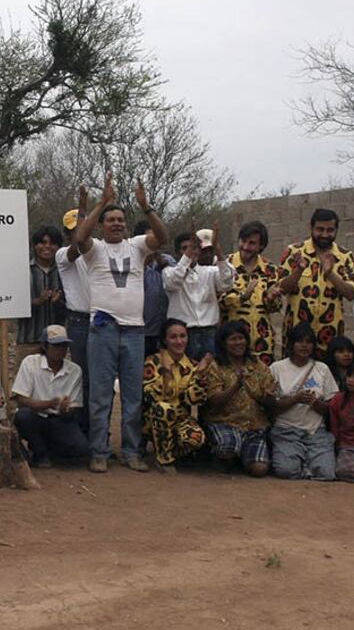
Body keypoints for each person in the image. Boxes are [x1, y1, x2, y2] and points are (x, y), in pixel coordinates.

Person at [73, 175, 169, 473]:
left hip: (134, 330)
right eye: (110, 220)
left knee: (133, 395)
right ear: (102, 225)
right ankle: (99, 451)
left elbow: (162, 238)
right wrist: (100, 202)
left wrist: (146, 207)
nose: (116, 223)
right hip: (102, 329)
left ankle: (130, 451)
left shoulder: (138, 246)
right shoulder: (96, 249)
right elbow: (78, 239)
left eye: (120, 219)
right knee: (100, 395)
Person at [278, 208, 354, 358]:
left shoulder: (345, 256)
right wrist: (299, 271)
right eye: (320, 229)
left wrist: (331, 274)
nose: (324, 235)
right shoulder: (295, 252)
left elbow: (351, 294)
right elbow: (281, 288)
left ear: (336, 230)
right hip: (297, 334)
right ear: (311, 227)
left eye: (330, 230)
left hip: (330, 335)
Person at [202, 321, 275, 477]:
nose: (238, 343)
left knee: (260, 469)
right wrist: (236, 386)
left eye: (241, 338)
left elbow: (269, 401)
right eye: (233, 339)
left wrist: (268, 397)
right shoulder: (216, 366)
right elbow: (215, 402)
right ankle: (224, 457)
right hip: (224, 421)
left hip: (254, 425)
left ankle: (242, 456)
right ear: (223, 343)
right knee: (227, 447)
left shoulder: (258, 365)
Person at [268, 323, 339, 481]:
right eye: (300, 341)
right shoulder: (276, 368)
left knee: (327, 473)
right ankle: (301, 464)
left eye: (308, 342)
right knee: (286, 470)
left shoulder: (322, 369)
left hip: (315, 431)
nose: (304, 346)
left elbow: (332, 407)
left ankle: (308, 464)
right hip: (285, 430)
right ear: (291, 344)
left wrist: (314, 403)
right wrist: (295, 399)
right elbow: (270, 406)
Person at [11, 325, 87, 468]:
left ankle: (50, 449)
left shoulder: (75, 370)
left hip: (59, 420)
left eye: (64, 346)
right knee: (23, 416)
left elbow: (74, 407)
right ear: (45, 346)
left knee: (81, 448)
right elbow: (20, 398)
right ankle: (40, 453)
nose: (61, 350)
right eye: (56, 346)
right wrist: (49, 404)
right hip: (35, 416)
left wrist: (66, 409)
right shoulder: (30, 363)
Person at [141, 319, 210, 474]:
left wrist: (200, 375)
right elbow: (150, 395)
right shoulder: (152, 362)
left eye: (182, 336)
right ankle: (164, 459)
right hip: (151, 419)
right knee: (163, 408)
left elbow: (193, 400)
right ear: (165, 340)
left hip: (179, 419)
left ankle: (174, 451)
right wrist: (165, 375)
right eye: (173, 337)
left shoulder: (192, 365)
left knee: (197, 438)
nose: (179, 341)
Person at [163, 225, 234, 360]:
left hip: (210, 333)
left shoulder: (209, 272)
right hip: (183, 335)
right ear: (177, 253)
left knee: (210, 376)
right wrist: (186, 258)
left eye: (194, 248)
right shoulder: (168, 272)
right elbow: (173, 282)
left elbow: (227, 283)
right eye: (186, 248)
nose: (191, 252)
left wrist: (218, 251)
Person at [219, 220, 282, 366]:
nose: (246, 247)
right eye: (243, 241)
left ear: (261, 246)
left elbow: (276, 307)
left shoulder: (270, 269)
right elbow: (218, 301)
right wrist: (242, 298)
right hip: (232, 342)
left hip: (262, 341)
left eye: (252, 243)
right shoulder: (225, 265)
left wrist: (271, 298)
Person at [55, 187, 92, 424]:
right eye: (73, 231)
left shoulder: (98, 251)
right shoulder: (63, 255)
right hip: (79, 322)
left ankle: (100, 434)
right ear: (67, 235)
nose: (77, 234)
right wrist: (84, 208)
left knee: (102, 380)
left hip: (104, 320)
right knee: (83, 377)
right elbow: (77, 247)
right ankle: (83, 428)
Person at [18, 226, 66, 355]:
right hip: (29, 340)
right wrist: (37, 301)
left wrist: (58, 302)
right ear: (35, 245)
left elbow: (70, 310)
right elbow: (14, 305)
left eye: (52, 243)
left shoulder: (65, 272)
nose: (47, 246)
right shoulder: (23, 270)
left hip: (57, 342)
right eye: (43, 242)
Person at [133, 220, 175, 358]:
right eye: (151, 239)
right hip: (138, 332)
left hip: (165, 332)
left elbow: (176, 283)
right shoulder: (132, 262)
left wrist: (162, 265)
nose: (155, 243)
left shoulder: (168, 261)